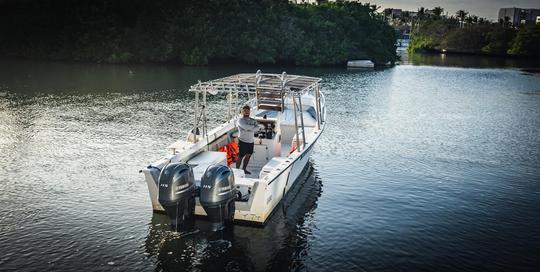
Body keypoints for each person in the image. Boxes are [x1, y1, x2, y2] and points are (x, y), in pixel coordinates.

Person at [236, 105, 259, 174]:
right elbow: (246, 127)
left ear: (249, 112)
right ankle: (237, 171)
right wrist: (252, 128)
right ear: (242, 112)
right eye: (245, 111)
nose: (246, 112)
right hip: (243, 141)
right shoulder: (240, 120)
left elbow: (257, 128)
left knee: (248, 155)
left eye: (248, 111)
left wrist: (249, 128)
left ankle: (244, 169)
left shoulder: (253, 120)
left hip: (251, 141)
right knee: (240, 156)